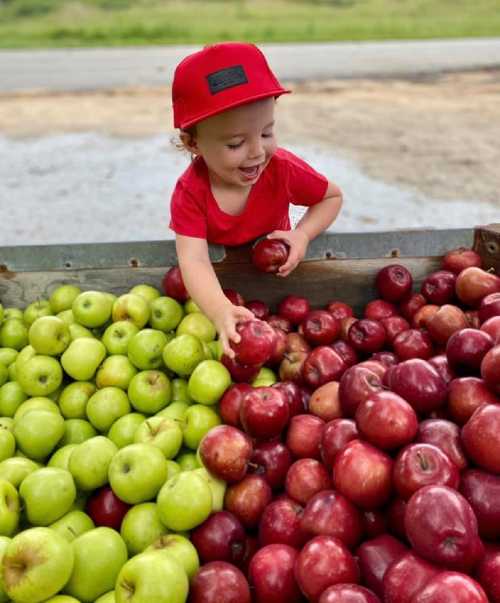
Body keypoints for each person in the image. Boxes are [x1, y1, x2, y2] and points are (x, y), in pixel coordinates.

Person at [169, 41, 343, 356]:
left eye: (266, 133)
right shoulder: (190, 192)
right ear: (193, 143)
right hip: (223, 283)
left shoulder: (282, 170)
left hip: (275, 281)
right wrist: (219, 309)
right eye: (236, 143)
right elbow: (193, 259)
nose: (257, 152)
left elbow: (331, 196)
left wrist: (302, 234)